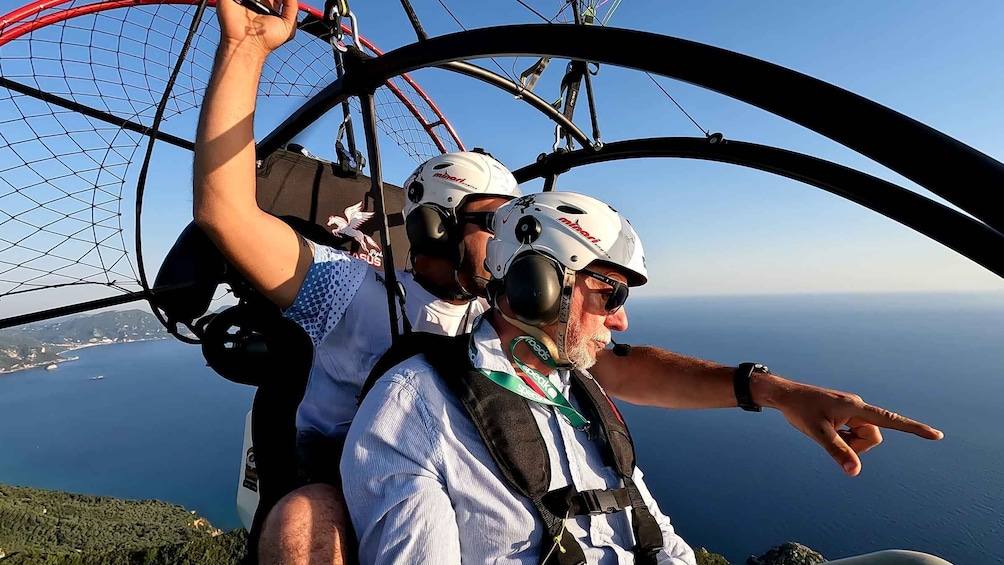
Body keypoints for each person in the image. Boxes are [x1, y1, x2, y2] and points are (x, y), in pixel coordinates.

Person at [194, 1, 944, 563]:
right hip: (351, 476)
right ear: (434, 228)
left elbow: (621, 366)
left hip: (472, 463)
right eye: (496, 218)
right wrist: (246, 46)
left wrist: (770, 388)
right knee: (304, 524)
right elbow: (228, 213)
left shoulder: (510, 326)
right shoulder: (351, 294)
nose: (515, 236)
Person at [342, 191, 952, 565]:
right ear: (536, 286)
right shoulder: (416, 407)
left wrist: (779, 391)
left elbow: (654, 532)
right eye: (608, 293)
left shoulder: (577, 391)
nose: (621, 317)